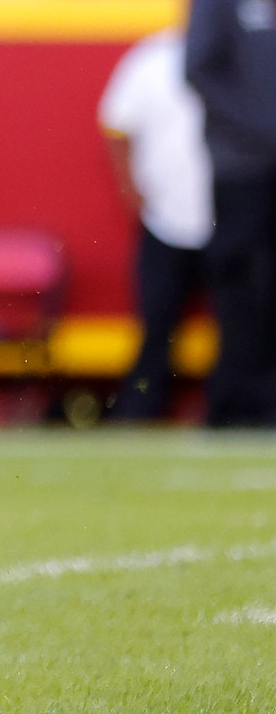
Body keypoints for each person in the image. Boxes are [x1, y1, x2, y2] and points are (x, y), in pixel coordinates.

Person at [183, 0, 276, 428]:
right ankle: (237, 399)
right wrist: (259, 127)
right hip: (240, 165)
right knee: (241, 282)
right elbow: (201, 70)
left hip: (272, 164)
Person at [98, 28, 213, 421]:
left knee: (245, 328)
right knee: (157, 325)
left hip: (234, 214)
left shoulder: (245, 50)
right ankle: (139, 411)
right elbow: (116, 124)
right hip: (164, 216)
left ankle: (236, 411)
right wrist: (132, 191)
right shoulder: (153, 59)